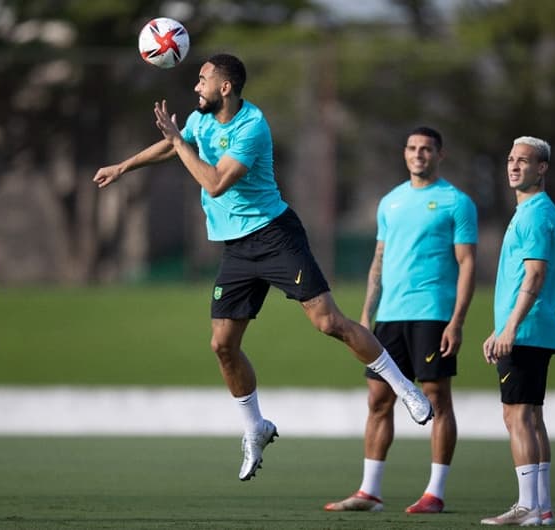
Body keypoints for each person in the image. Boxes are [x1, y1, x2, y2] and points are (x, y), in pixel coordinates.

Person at [92, 53, 433, 482]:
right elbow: (175, 142)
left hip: (275, 235)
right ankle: (255, 427)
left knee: (328, 322)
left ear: (225, 87)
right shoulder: (200, 120)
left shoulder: (251, 126)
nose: (196, 87)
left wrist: (179, 142)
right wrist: (124, 166)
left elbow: (215, 183)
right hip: (235, 248)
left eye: (202, 80)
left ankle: (404, 388)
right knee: (222, 345)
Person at [324, 126, 478, 514]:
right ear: (404, 153)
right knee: (378, 399)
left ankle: (435, 493)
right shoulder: (389, 202)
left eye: (426, 149)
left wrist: (457, 320)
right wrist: (364, 316)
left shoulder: (456, 202)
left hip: (432, 314)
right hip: (389, 316)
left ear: (439, 155)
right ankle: (369, 492)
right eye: (412, 148)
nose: (418, 154)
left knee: (436, 398)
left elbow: (467, 263)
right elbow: (379, 260)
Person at [480, 136, 555, 526]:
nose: (514, 166)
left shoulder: (535, 213)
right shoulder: (533, 210)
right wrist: (500, 328)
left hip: (526, 330)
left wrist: (509, 327)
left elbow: (536, 273)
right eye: (511, 159)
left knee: (516, 417)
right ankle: (542, 508)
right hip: (529, 329)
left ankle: (528, 506)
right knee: (531, 417)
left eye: (524, 161)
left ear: (541, 168)